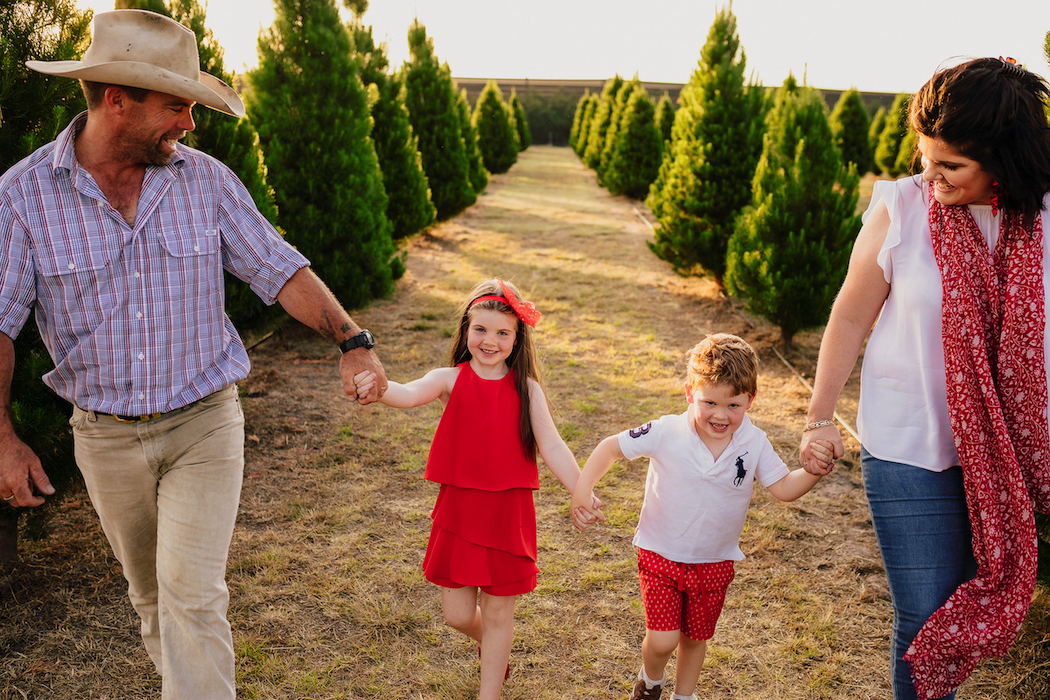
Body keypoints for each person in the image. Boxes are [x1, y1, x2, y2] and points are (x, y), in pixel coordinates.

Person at [0, 10, 387, 700]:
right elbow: (0, 323)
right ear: (117, 99)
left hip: (204, 422)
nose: (190, 122)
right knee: (153, 598)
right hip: (104, 436)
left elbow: (279, 268)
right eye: (177, 105)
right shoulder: (23, 196)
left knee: (192, 592)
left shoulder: (203, 181)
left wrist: (352, 341)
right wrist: (2, 435)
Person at [798, 57, 1050, 700]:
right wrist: (819, 418)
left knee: (974, 616)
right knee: (925, 615)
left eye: (951, 166)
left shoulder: (1042, 219)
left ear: (1004, 159)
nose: (928, 177)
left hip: (1015, 454)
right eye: (924, 156)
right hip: (909, 447)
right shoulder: (901, 207)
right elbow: (851, 316)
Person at [352, 277, 598, 700]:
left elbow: (553, 445)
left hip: (507, 513)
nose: (490, 341)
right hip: (462, 512)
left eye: (503, 333)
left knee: (500, 610)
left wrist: (581, 489)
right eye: (480, 329)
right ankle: (492, 649)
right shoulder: (450, 378)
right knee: (458, 614)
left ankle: (490, 691)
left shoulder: (527, 389)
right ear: (466, 329)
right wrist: (379, 389)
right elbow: (409, 393)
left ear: (517, 339)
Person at [571, 333, 831, 700]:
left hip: (714, 560)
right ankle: (651, 680)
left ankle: (684, 695)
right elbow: (610, 447)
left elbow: (784, 486)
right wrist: (583, 490)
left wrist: (816, 471)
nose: (721, 415)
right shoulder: (666, 432)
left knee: (695, 638)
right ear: (690, 392)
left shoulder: (753, 442)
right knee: (662, 641)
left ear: (750, 400)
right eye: (710, 402)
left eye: (734, 405)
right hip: (661, 553)